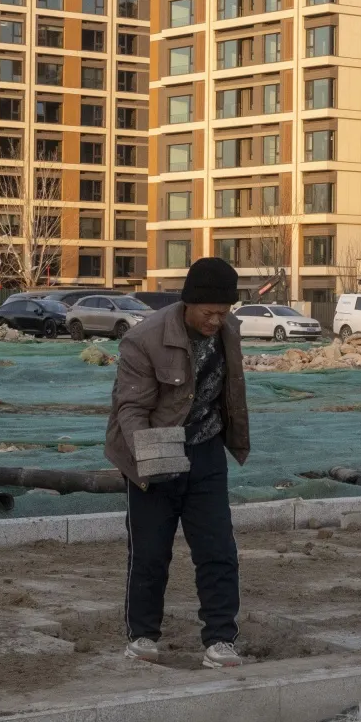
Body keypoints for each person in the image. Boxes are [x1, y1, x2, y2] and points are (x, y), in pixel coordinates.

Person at [104, 257, 251, 669]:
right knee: (150, 552)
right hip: (151, 449)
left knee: (218, 549)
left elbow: (231, 388)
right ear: (189, 303)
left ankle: (221, 639)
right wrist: (154, 456)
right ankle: (143, 636)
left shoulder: (229, 331)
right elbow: (130, 408)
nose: (216, 321)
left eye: (223, 313)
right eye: (209, 313)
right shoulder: (145, 339)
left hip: (205, 449)